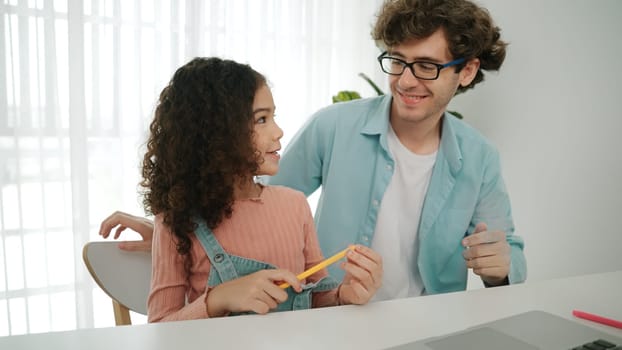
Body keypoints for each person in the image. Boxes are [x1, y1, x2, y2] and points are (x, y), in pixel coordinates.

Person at [101, 0, 526, 301]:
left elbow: (509, 257)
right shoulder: (335, 126)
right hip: (334, 316)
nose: (406, 80)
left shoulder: (480, 157)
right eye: (397, 60)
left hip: (428, 330)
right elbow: (250, 204)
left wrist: (503, 268)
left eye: (427, 66)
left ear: (466, 71)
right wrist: (173, 234)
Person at [131, 57, 382, 322]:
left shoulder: (294, 205)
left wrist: (345, 294)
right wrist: (218, 298)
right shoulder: (176, 220)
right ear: (216, 133)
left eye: (273, 116)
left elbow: (318, 297)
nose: (279, 131)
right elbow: (160, 327)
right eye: (261, 120)